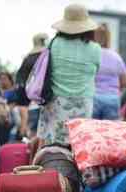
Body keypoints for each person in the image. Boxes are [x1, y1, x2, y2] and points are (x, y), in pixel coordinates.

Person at [37, 4, 101, 145]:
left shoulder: (54, 44)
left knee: (53, 145)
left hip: (56, 101)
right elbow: (95, 72)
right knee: (78, 144)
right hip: (84, 102)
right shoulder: (95, 49)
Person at [92, 24, 126, 120]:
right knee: (110, 131)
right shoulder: (116, 57)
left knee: (92, 129)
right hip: (112, 98)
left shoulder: (91, 54)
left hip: (93, 97)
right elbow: (124, 82)